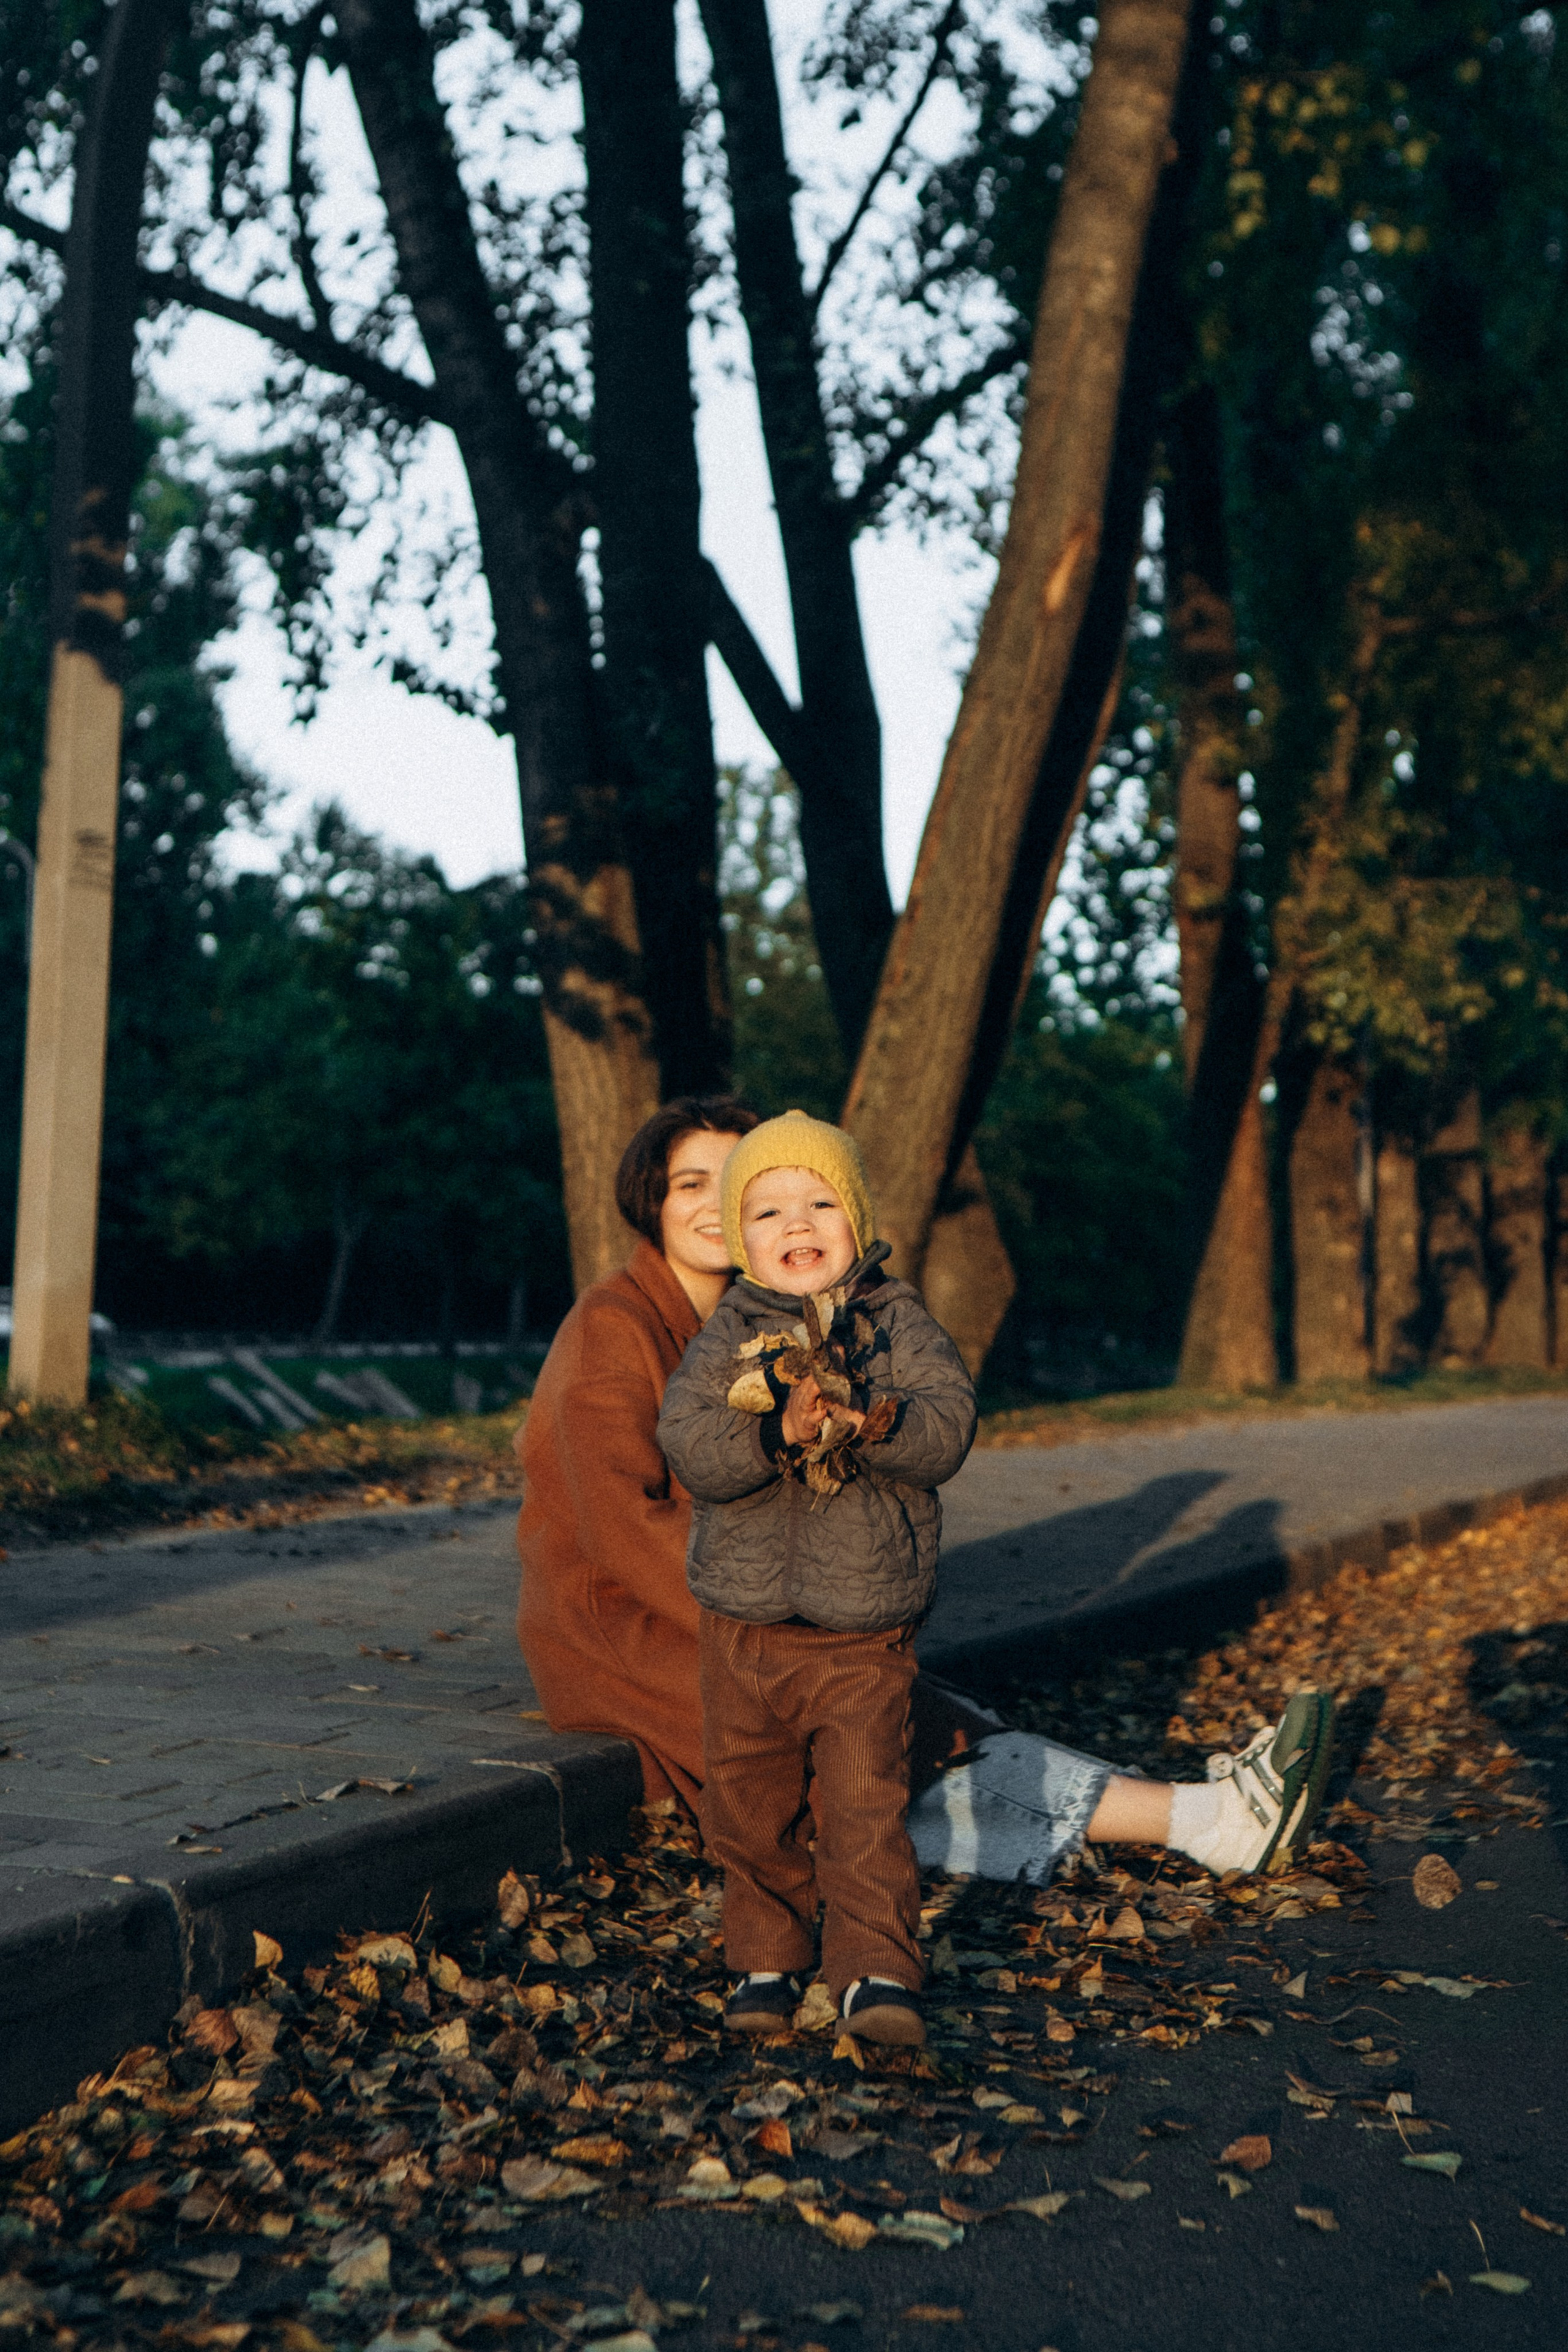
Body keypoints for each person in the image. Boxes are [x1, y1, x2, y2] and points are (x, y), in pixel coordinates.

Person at [516, 1101, 1335, 1921]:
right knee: (889, 1742)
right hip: (631, 1636)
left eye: (735, 1182)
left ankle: (1203, 1817)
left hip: (725, 1608)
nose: (713, 1202)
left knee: (901, 1719)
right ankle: (1207, 1821)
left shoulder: (752, 1320)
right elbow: (623, 1530)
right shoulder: (613, 1330)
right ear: (651, 1201)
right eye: (689, 1183)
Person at [657, 1109, 976, 2048]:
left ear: (860, 1218)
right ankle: (768, 1953)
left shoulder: (899, 1323)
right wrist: (773, 1431)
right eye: (767, 1212)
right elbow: (689, 1442)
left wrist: (874, 1416)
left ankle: (876, 1969)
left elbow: (948, 1427)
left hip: (861, 1627)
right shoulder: (727, 1334)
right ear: (740, 1237)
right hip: (744, 1624)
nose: (796, 1226)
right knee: (748, 1805)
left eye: (820, 1203)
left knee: (864, 1804)